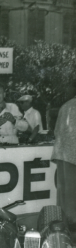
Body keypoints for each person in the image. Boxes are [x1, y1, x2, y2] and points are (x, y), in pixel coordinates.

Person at [51, 93, 76, 232]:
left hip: (63, 155)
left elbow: (56, 131)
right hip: (73, 157)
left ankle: (62, 234)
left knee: (63, 197)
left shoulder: (65, 105)